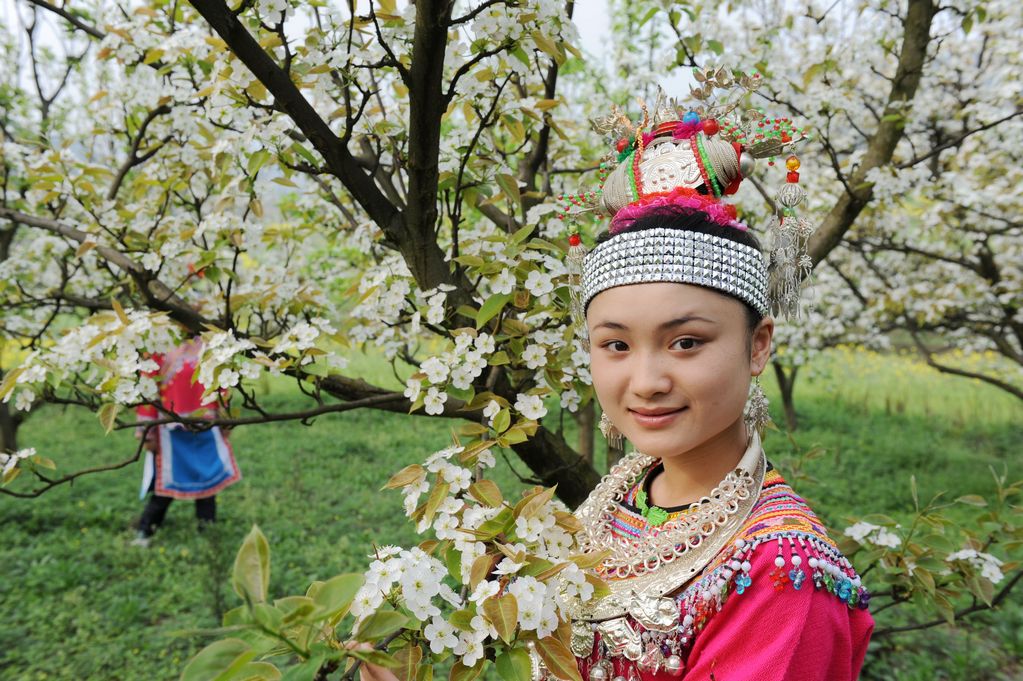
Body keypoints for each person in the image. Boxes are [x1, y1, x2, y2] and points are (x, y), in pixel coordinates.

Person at [131, 337, 241, 547]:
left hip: (206, 427)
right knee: (164, 487)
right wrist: (147, 432)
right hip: (170, 431)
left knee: (207, 482)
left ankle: (208, 533)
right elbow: (148, 390)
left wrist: (226, 419)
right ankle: (145, 530)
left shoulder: (210, 345)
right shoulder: (159, 347)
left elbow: (222, 386)